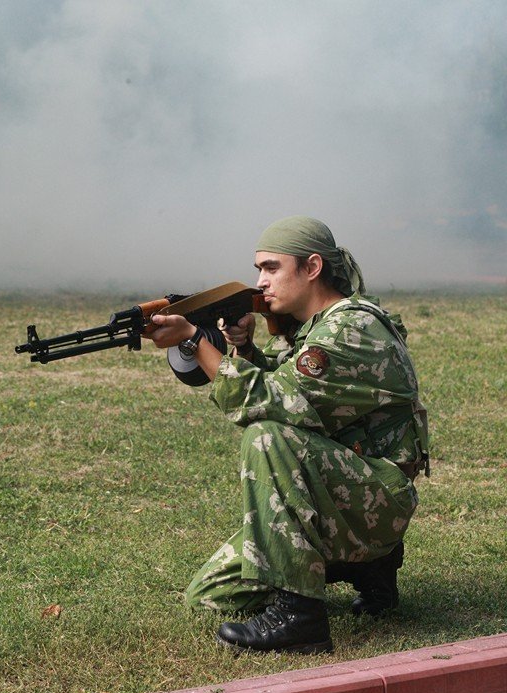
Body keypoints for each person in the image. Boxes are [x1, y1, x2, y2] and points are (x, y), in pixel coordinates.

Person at [147, 216, 429, 654]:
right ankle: (367, 567)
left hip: (378, 498)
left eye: (272, 268)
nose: (261, 282)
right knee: (209, 595)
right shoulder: (311, 328)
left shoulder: (348, 328)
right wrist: (242, 349)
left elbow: (271, 402)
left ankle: (301, 617)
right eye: (259, 269)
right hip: (340, 491)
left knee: (267, 438)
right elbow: (299, 397)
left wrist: (193, 339)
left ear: (313, 267)